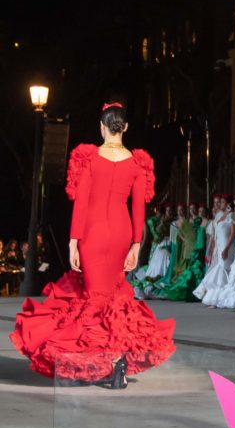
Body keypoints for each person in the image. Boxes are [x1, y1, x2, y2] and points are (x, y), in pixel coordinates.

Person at [10, 102, 175, 386]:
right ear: (125, 127)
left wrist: (73, 242)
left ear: (102, 127)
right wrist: (136, 245)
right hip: (121, 232)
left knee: (94, 296)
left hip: (93, 232)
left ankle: (98, 362)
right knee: (111, 297)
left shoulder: (87, 158)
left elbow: (82, 203)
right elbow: (138, 209)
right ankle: (114, 360)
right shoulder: (138, 163)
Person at [195, 195, 235, 303]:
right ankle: (218, 297)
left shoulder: (231, 215)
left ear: (228, 204)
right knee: (219, 269)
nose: (220, 204)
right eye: (219, 202)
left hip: (226, 246)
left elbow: (233, 234)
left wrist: (226, 248)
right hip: (219, 245)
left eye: (222, 202)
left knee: (224, 269)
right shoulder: (221, 215)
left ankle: (224, 297)